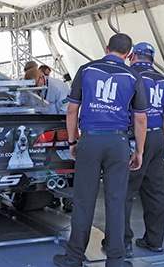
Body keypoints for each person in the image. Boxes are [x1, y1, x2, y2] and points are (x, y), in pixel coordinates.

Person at [53, 33, 148, 267]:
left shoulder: (86, 70)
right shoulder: (133, 76)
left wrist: (73, 142)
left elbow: (71, 110)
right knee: (116, 201)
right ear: (128, 54)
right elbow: (141, 120)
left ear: (106, 47)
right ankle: (116, 259)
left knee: (84, 200)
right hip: (118, 143)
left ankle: (74, 257)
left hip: (90, 141)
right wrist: (139, 151)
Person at [123, 42, 164, 257]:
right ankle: (155, 241)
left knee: (125, 192)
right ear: (152, 59)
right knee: (155, 192)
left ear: (133, 56)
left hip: (134, 137)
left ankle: (122, 242)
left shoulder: (128, 76)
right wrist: (159, 141)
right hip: (156, 137)